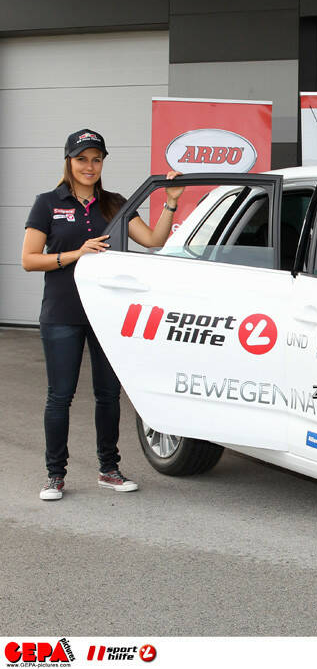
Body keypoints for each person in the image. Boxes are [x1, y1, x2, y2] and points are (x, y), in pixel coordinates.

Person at [21, 129, 183, 501]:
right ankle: (54, 476)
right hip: (62, 313)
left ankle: (109, 469)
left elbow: (154, 241)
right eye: (82, 159)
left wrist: (171, 202)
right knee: (60, 396)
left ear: (103, 163)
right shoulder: (47, 203)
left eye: (96, 159)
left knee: (109, 395)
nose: (89, 166)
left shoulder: (115, 203)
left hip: (108, 314)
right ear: (69, 161)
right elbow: (29, 259)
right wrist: (77, 254)